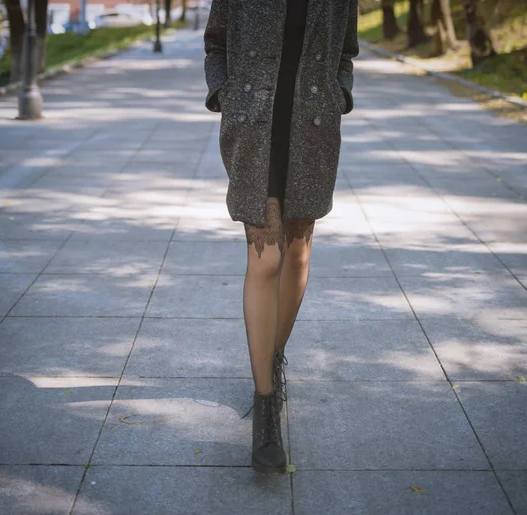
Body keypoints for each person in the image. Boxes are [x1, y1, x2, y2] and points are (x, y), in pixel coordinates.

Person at [204, 0, 359, 475]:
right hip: (254, 127)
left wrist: (340, 95)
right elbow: (216, 44)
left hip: (311, 129)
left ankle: (271, 358)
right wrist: (225, 95)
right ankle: (266, 406)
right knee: (265, 260)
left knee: (296, 257)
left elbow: (346, 52)